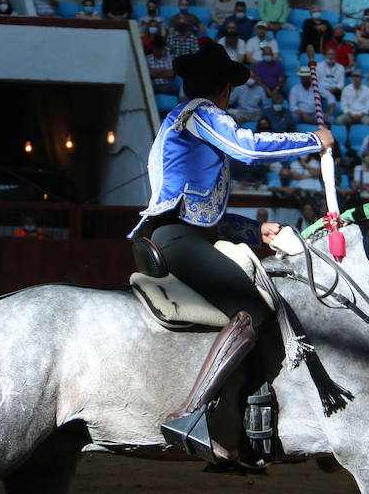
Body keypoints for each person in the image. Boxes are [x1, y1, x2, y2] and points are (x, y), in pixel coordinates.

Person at [129, 40, 329, 466]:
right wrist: (314, 139)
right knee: (253, 310)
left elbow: (204, 215)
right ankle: (192, 412)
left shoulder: (185, 121)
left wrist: (256, 228)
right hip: (178, 240)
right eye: (229, 90)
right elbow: (249, 148)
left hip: (180, 237)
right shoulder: (203, 114)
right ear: (223, 90)